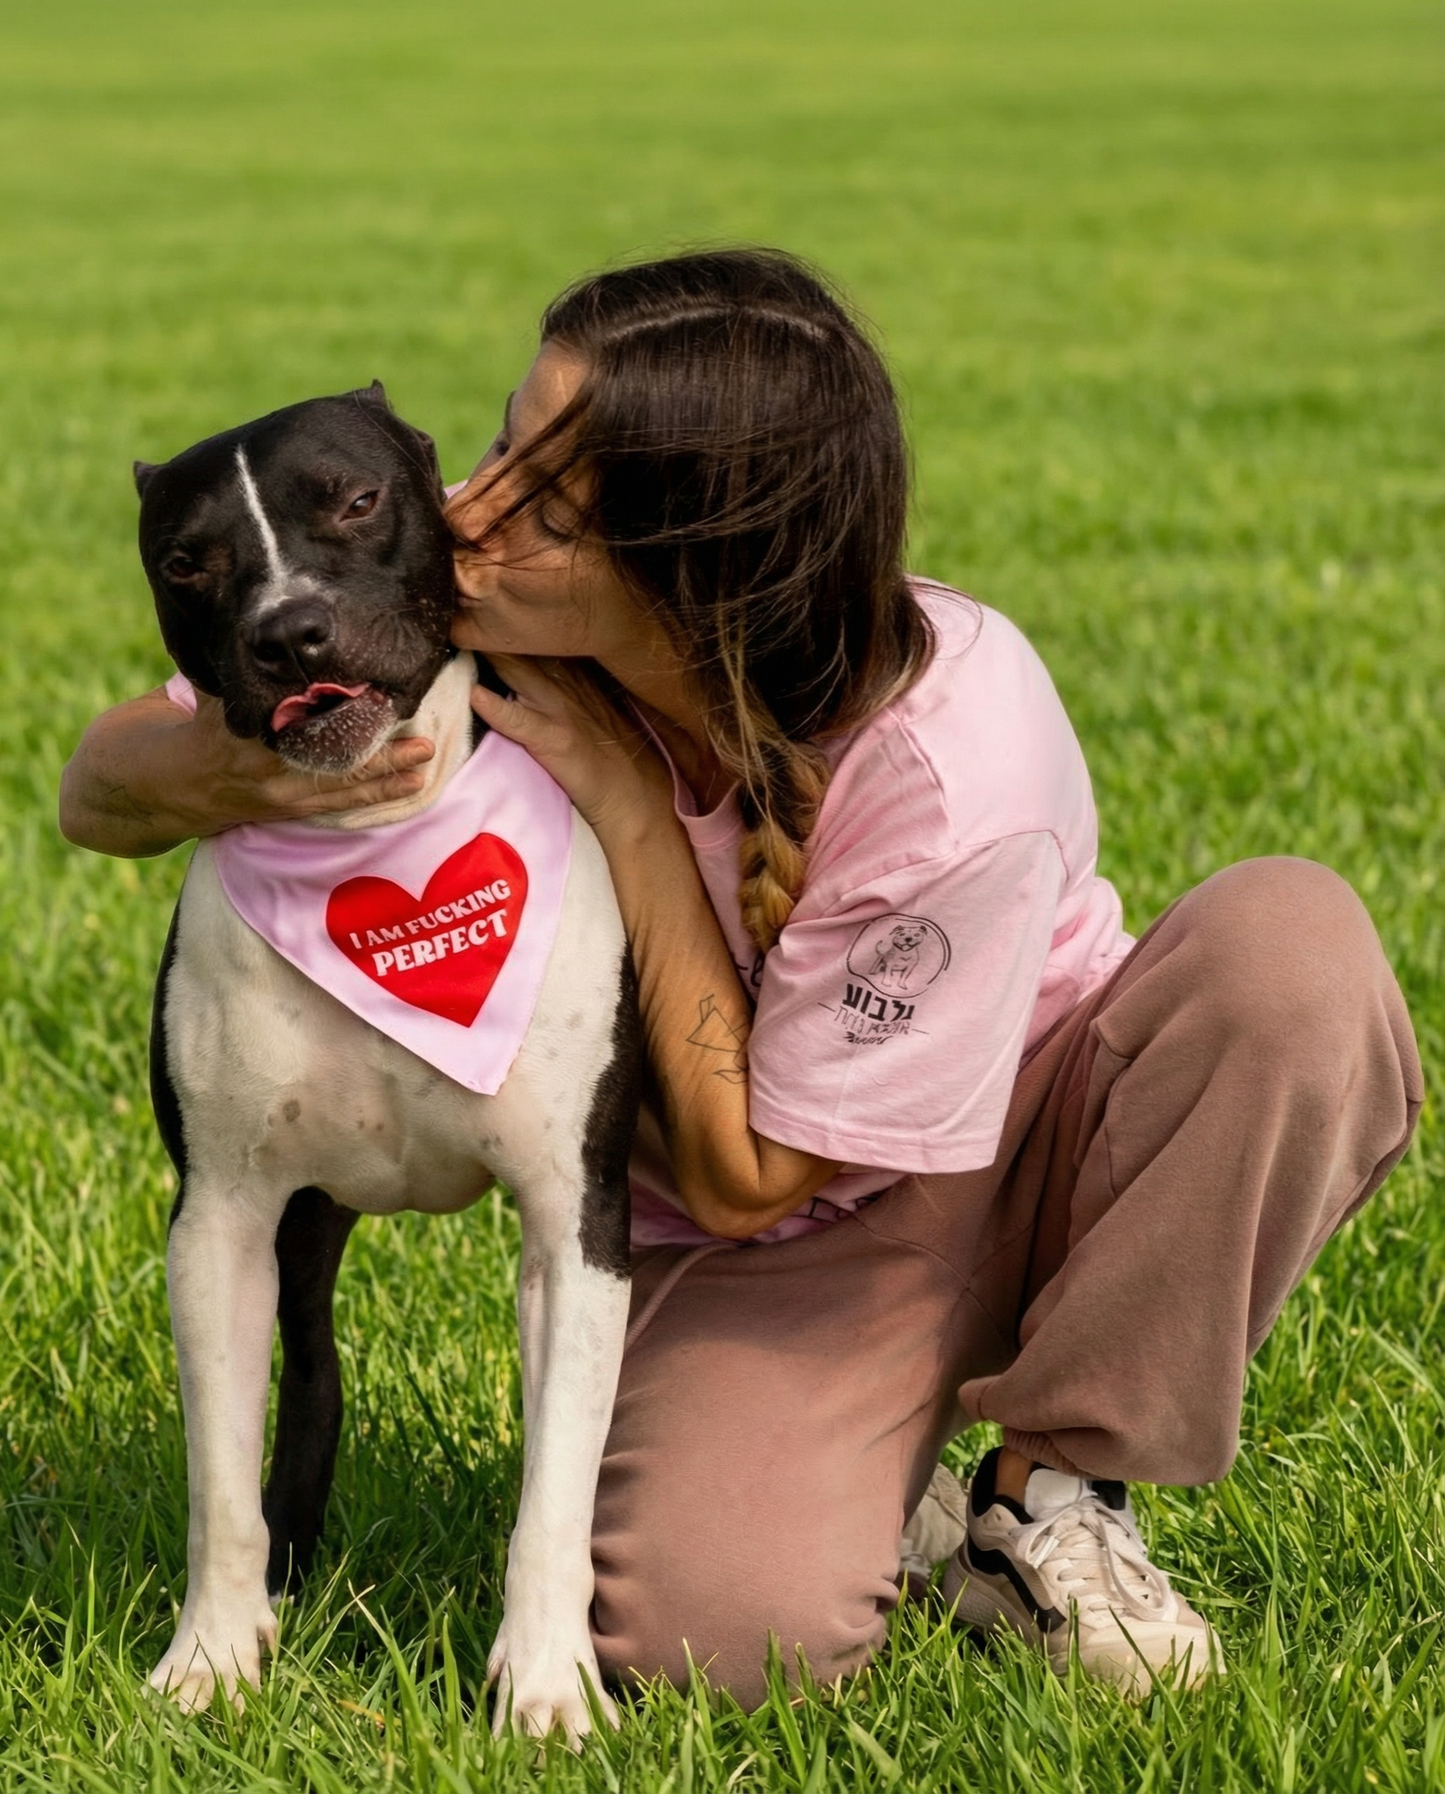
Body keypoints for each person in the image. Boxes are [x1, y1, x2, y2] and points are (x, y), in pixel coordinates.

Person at [61, 248, 1422, 1707]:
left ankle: (1051, 1496)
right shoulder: (487, 636)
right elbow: (100, 786)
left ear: (694, 560)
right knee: (719, 1635)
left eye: (548, 498)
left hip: (1027, 1138)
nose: (473, 508)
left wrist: (634, 817)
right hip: (786, 1255)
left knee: (1291, 959)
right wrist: (242, 764)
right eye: (504, 440)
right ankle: (871, 1472)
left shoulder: (957, 754)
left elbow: (745, 1171)